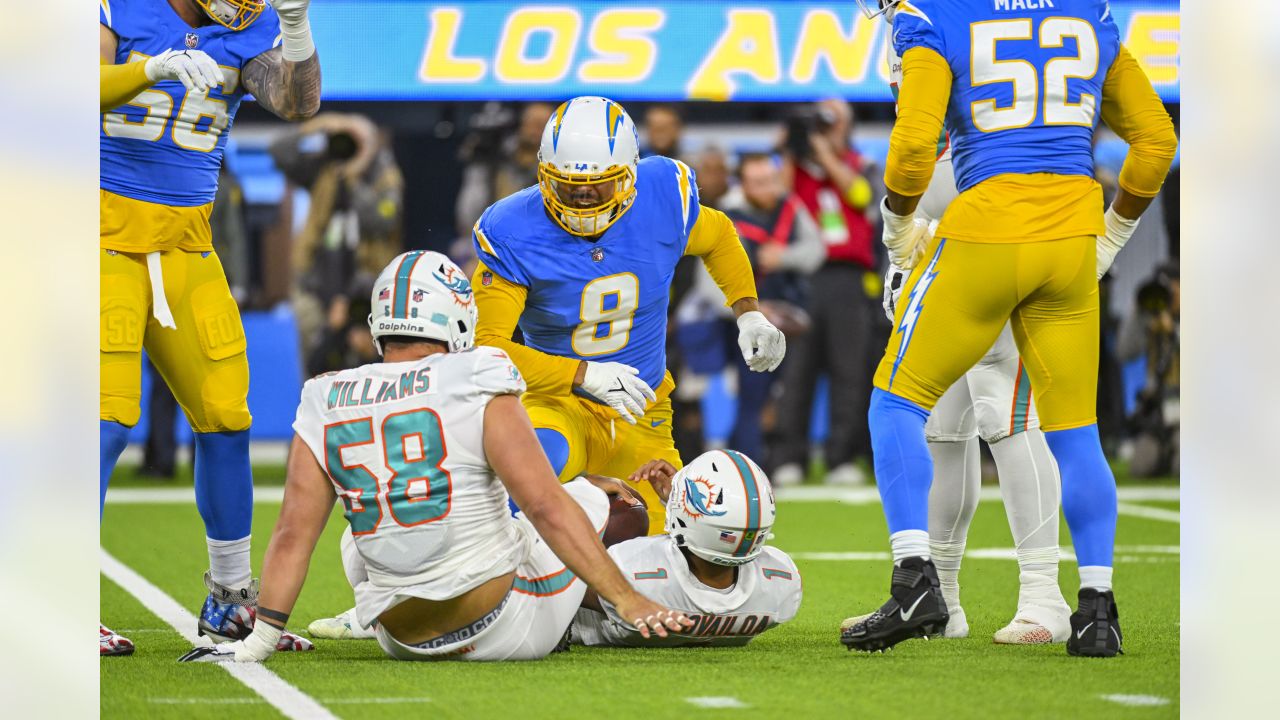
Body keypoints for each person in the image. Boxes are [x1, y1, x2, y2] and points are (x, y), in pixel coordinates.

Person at [841, 0, 1177, 657]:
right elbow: (1156, 138)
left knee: (984, 412)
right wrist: (1114, 233)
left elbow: (914, 148)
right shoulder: (1084, 13)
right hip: (1059, 235)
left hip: (984, 234)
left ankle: (1031, 593)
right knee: (978, 428)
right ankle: (1080, 605)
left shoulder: (932, 19)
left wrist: (896, 229)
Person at [179, 252, 693, 663]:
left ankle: (359, 620)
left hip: (399, 639)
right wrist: (629, 599)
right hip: (503, 626)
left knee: (354, 534)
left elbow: (293, 533)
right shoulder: (480, 372)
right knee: (614, 504)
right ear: (458, 319)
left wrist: (259, 641)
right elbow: (545, 506)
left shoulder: (324, 393)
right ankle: (600, 617)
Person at [840, 5, 1070, 645]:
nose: (904, 95)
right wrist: (910, 259)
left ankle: (1044, 596)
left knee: (1007, 415)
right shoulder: (930, 110)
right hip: (946, 282)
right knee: (940, 428)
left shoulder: (993, 120)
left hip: (1004, 267)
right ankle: (940, 597)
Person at [99, 0, 321, 657]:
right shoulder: (119, 7)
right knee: (104, 420)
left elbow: (295, 103)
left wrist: (296, 27)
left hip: (188, 247)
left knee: (226, 416)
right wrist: (153, 67)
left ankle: (229, 602)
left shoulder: (247, 25)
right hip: (100, 234)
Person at [470, 96, 786, 533]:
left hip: (643, 407)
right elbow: (487, 350)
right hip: (557, 404)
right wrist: (583, 375)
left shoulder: (660, 201)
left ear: (630, 175)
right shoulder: (514, 230)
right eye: (567, 185)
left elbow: (718, 237)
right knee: (528, 475)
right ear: (544, 175)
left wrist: (748, 312)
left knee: (686, 539)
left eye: (598, 185)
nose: (582, 198)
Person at [572, 451, 802, 647]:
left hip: (568, 618)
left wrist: (579, 484)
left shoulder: (635, 575)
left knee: (625, 514)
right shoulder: (780, 584)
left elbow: (555, 574)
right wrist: (676, 502)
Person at [773, 99, 882, 487]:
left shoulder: (860, 163)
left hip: (848, 278)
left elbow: (860, 197)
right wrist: (789, 150)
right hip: (804, 277)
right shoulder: (796, 169)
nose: (824, 129)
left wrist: (824, 151)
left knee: (848, 371)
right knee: (797, 370)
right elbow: (778, 199)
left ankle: (841, 457)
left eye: (832, 122)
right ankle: (790, 457)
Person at [269, 112, 405, 355]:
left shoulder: (384, 176)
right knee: (316, 363)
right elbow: (278, 151)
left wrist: (356, 174)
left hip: (365, 291)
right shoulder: (326, 168)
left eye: (358, 140)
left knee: (363, 363)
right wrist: (317, 125)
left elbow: (383, 220)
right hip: (316, 283)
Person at [724, 154, 824, 465]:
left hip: (790, 321)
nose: (767, 189)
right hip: (746, 324)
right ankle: (748, 465)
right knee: (752, 397)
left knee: (790, 394)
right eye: (758, 183)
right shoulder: (727, 219)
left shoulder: (791, 208)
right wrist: (749, 310)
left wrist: (784, 256)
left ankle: (786, 461)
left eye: (770, 181)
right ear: (743, 185)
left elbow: (817, 251)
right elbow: (708, 283)